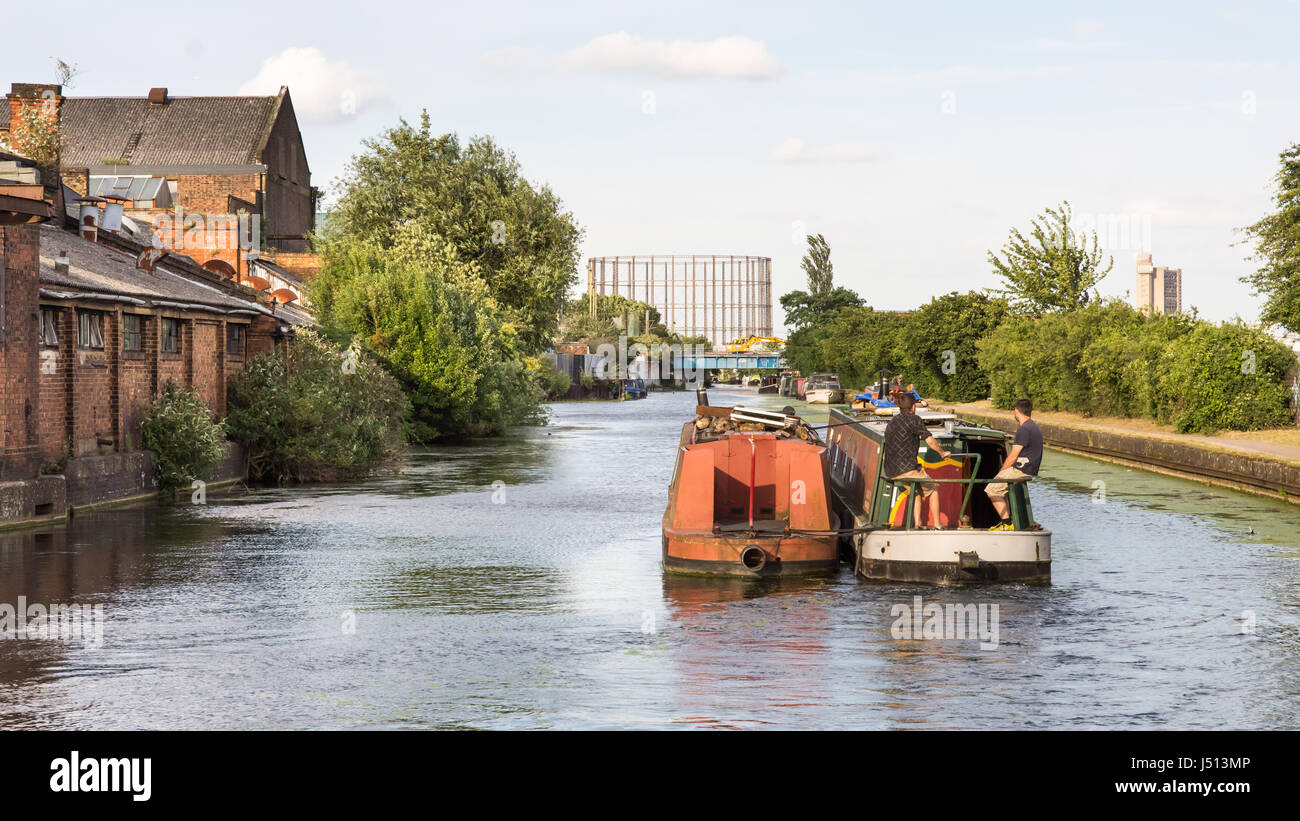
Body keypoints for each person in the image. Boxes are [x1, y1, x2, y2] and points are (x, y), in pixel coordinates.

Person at [882, 393, 950, 529]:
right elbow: (929, 439)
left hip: (891, 470)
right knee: (933, 489)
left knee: (916, 492)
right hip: (907, 469)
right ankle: (938, 524)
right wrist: (942, 453)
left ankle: (917, 524)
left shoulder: (891, 422)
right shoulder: (914, 419)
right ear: (913, 407)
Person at [985, 398, 1043, 531]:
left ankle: (1006, 523)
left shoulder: (1024, 429)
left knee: (991, 489)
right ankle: (1012, 520)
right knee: (1001, 489)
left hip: (1021, 469)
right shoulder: (1033, 426)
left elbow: (1013, 456)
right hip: (1029, 468)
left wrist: (1001, 472)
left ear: (1017, 411)